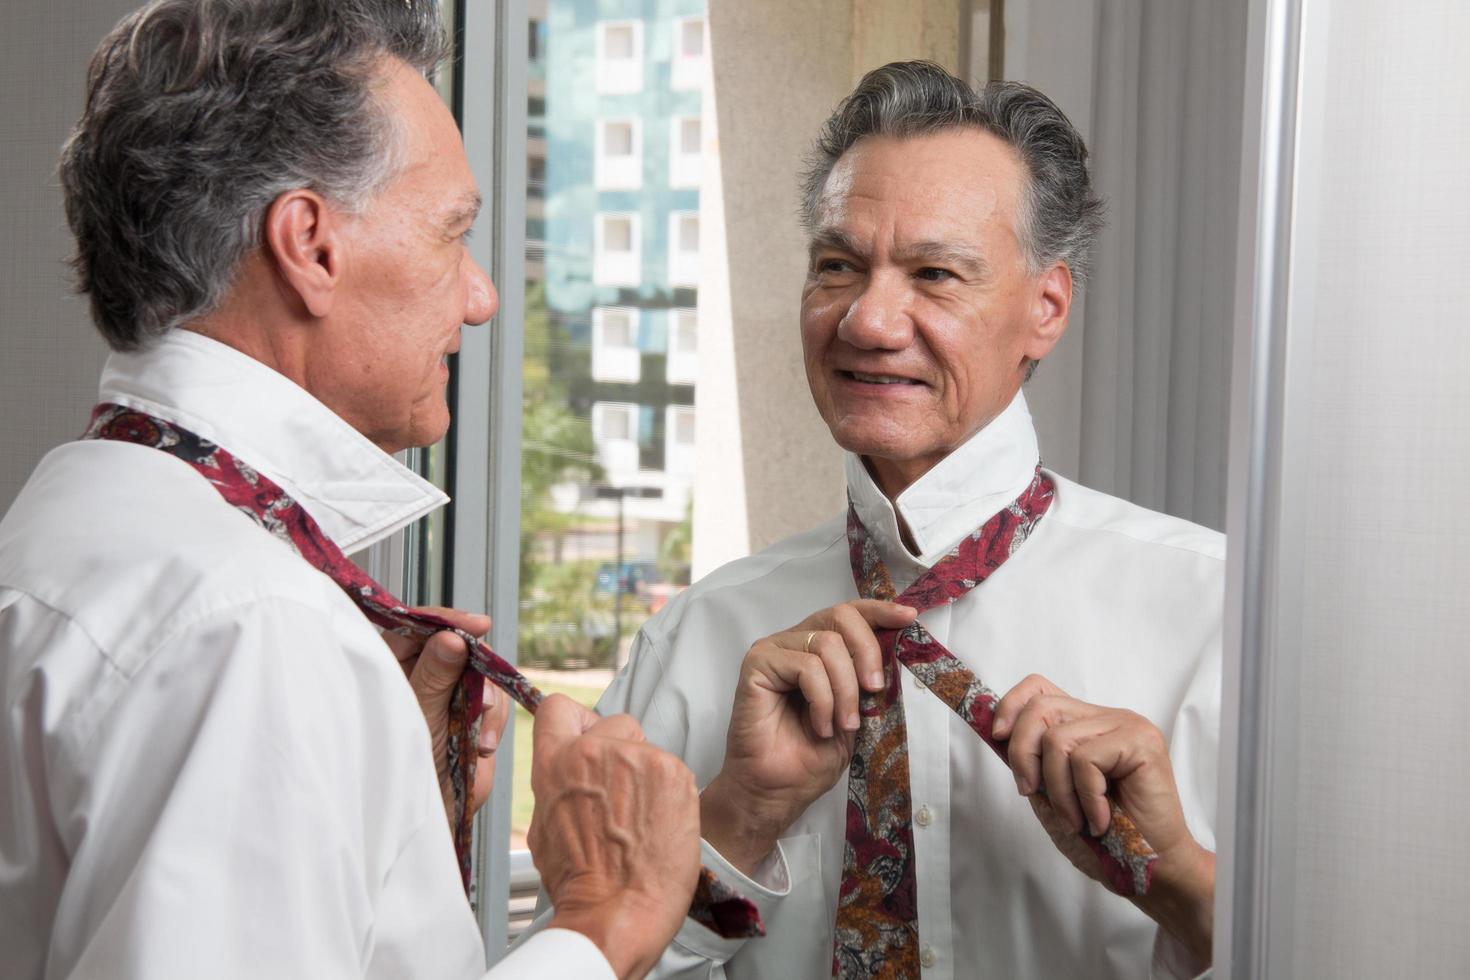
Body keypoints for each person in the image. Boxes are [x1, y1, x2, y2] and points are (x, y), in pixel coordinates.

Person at [0, 2, 701, 978]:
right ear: (312, 246)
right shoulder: (252, 624)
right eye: (453, 234)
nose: (481, 295)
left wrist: (375, 811)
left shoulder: (67, 519)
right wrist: (603, 920)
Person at [596, 62, 1221, 979]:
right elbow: (577, 961)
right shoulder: (696, 642)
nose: (870, 320)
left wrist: (1181, 884)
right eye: (838, 266)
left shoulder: (1214, 618)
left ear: (1046, 308)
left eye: (934, 274)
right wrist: (735, 823)